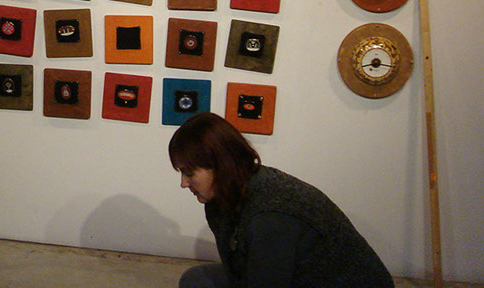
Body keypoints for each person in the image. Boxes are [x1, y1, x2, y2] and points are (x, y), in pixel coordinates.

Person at [169, 112, 394, 288]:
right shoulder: (222, 198)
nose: (183, 184)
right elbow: (237, 269)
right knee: (196, 280)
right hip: (296, 278)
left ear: (221, 166)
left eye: (189, 173)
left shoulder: (270, 214)